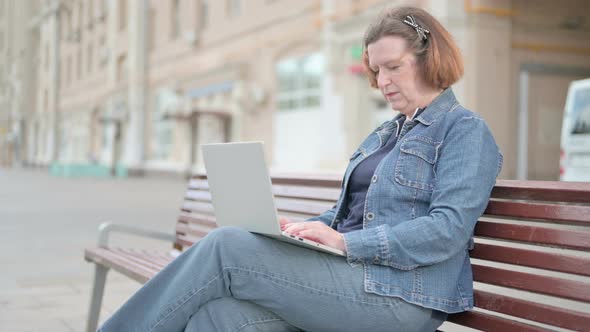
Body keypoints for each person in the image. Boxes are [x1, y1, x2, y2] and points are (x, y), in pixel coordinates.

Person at [98, 6, 502, 332]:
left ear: (429, 58)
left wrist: (345, 243)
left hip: (402, 297)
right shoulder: (384, 133)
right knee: (219, 315)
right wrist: (301, 230)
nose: (382, 81)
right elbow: (349, 214)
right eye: (376, 70)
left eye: (393, 66)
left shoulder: (465, 131)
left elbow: (447, 229)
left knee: (227, 248)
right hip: (354, 279)